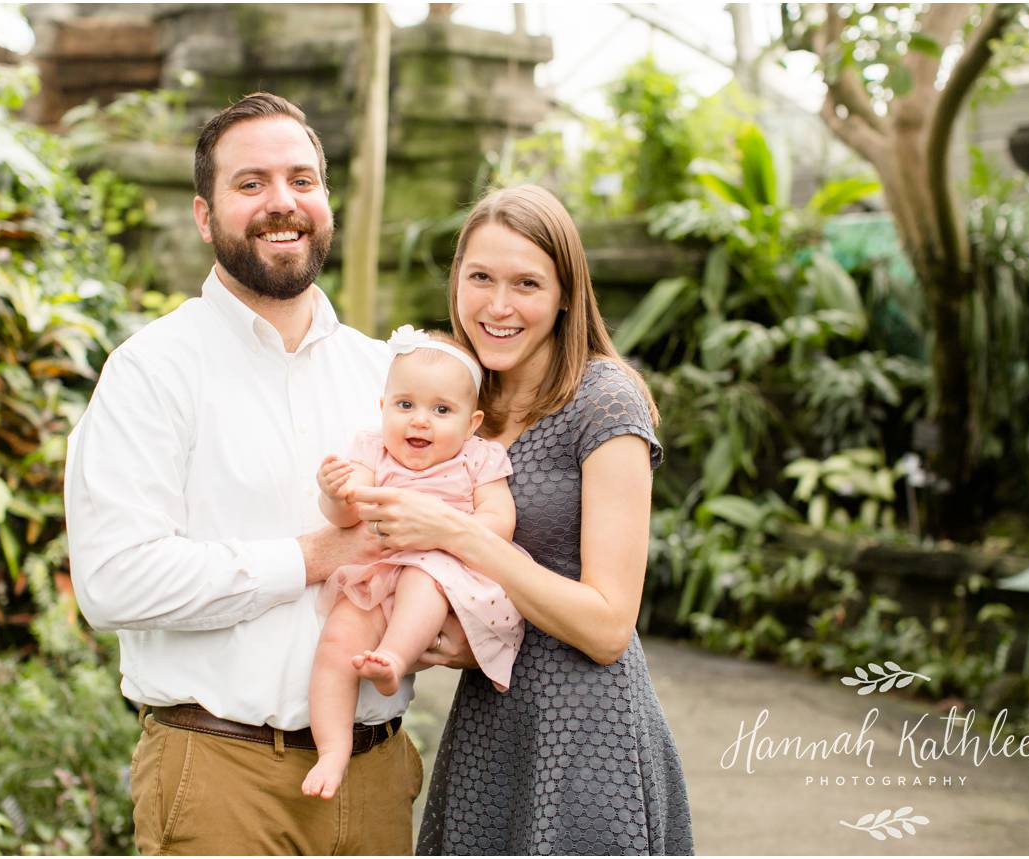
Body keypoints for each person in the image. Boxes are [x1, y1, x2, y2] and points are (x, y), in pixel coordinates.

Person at [66, 92, 422, 855]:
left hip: (381, 773)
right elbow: (112, 580)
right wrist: (312, 555)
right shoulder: (152, 371)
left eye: (302, 179)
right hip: (221, 775)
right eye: (251, 183)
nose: (282, 203)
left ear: (326, 200)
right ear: (205, 216)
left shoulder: (385, 375)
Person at [350, 185, 695, 854]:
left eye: (527, 283)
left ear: (566, 293)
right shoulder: (457, 395)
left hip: (586, 738)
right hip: (491, 723)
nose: (498, 305)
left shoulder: (603, 400)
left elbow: (607, 626)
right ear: (456, 279)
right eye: (480, 277)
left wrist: (460, 535)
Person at [301, 326, 523, 801]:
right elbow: (347, 516)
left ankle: (395, 659)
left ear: (472, 422)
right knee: (337, 641)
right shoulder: (371, 449)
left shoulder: (479, 459)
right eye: (405, 406)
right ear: (383, 409)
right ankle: (332, 749)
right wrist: (332, 493)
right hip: (375, 573)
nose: (420, 421)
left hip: (442, 568)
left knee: (424, 579)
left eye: (442, 410)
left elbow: (500, 521)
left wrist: (446, 530)